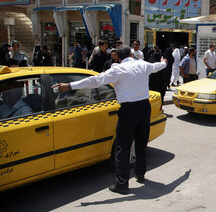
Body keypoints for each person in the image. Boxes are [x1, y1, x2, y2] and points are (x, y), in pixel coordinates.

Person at [52, 45, 167, 195]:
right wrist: (164, 61)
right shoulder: (143, 64)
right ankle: (140, 174)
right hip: (144, 108)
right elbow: (158, 66)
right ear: (132, 54)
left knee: (122, 147)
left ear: (118, 58)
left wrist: (69, 86)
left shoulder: (118, 70)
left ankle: (122, 184)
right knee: (140, 143)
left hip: (128, 110)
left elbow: (95, 81)